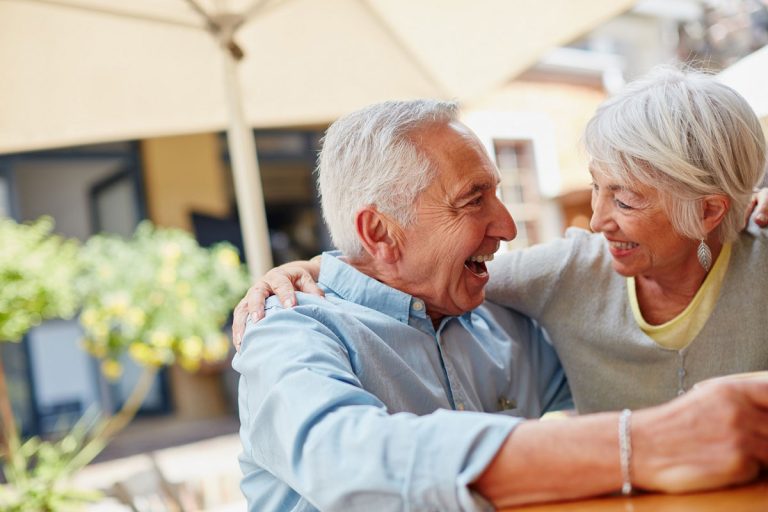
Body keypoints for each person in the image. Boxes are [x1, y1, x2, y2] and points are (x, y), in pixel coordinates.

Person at [233, 98, 768, 511]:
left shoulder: (501, 323)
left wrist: (734, 227)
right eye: (474, 200)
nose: (508, 226)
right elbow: (346, 460)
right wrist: (639, 447)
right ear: (379, 231)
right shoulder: (289, 331)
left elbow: (641, 355)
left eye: (498, 193)